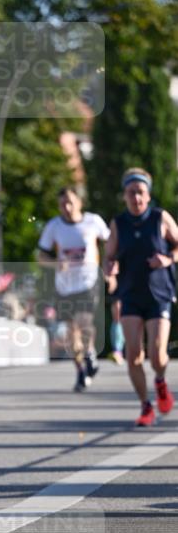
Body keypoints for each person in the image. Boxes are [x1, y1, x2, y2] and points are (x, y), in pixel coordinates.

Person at [104, 167, 178, 427]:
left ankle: (160, 381)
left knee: (157, 355)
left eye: (140, 192)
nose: (136, 197)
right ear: (124, 195)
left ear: (148, 195)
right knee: (133, 354)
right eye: (131, 192)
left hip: (159, 294)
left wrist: (168, 258)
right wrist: (110, 269)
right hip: (130, 295)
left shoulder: (160, 218)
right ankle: (146, 406)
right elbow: (108, 257)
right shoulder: (118, 224)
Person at [37, 188, 110, 391]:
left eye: (70, 202)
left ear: (79, 202)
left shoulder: (93, 221)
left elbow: (111, 243)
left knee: (84, 322)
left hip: (88, 282)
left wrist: (110, 267)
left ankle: (90, 352)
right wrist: (55, 263)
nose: (67, 208)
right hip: (65, 286)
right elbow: (41, 257)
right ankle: (80, 370)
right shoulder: (54, 226)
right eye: (62, 204)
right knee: (71, 331)